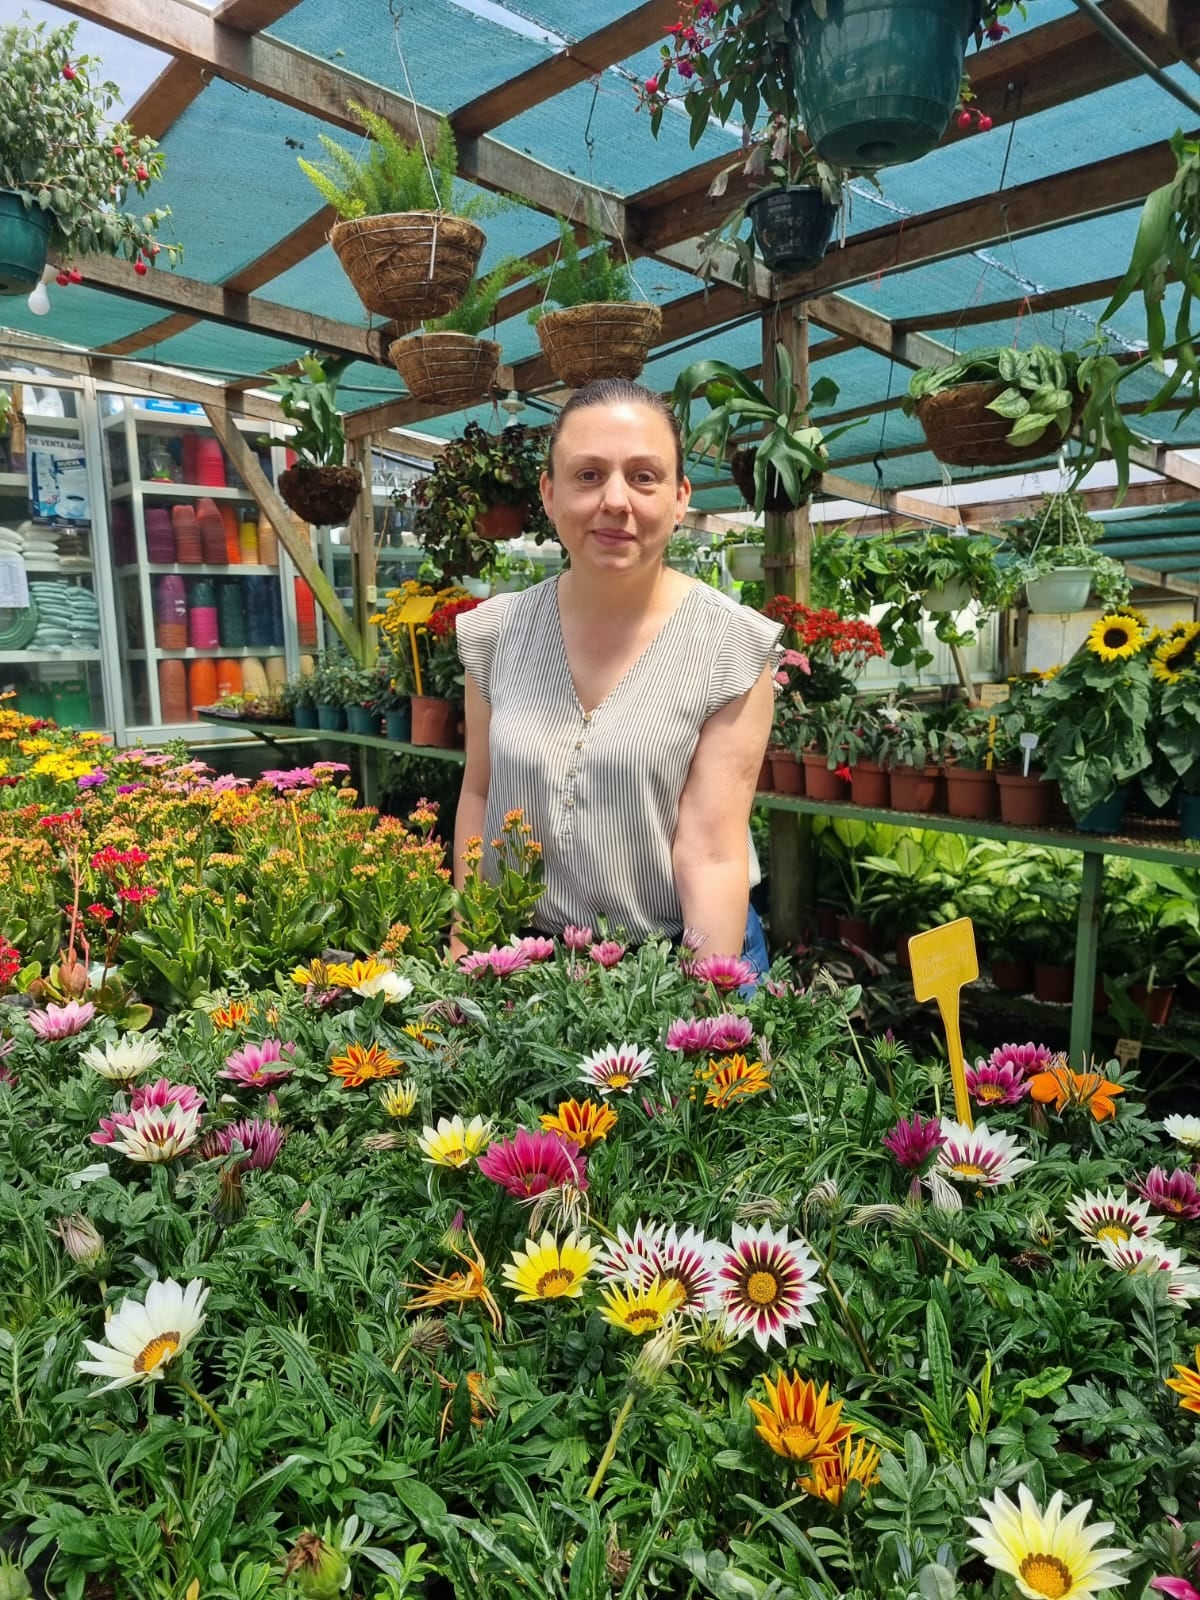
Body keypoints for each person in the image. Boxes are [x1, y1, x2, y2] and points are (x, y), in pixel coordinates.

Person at [453, 377, 782, 969]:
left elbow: (711, 853)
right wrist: (467, 949)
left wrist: (703, 1002)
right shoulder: (495, 635)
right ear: (549, 493)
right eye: (588, 475)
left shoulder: (730, 648)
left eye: (643, 476)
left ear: (680, 498)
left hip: (671, 956)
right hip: (524, 955)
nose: (615, 500)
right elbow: (479, 793)